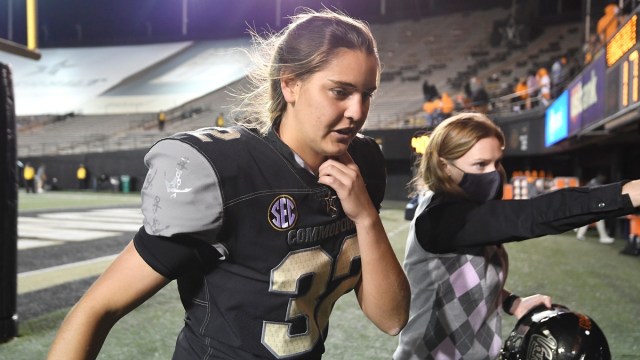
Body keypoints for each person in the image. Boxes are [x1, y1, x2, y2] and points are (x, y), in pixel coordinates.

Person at [48, 9, 410, 360]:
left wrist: (366, 217)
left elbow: (392, 318)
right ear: (291, 84)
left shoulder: (362, 164)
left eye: (367, 93)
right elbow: (97, 308)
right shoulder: (230, 172)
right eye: (340, 91)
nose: (357, 111)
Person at [392, 112, 640, 360]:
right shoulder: (442, 219)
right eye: (480, 165)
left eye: (497, 162)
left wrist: (513, 302)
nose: (494, 173)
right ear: (445, 166)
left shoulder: (467, 208)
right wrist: (627, 194)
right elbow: (535, 215)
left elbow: (462, 282)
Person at [576, 174, 615, 244]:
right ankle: (603, 237)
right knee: (599, 219)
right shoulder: (597, 182)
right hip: (590, 203)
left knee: (588, 219)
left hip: (586, 202)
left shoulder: (592, 181)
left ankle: (580, 235)